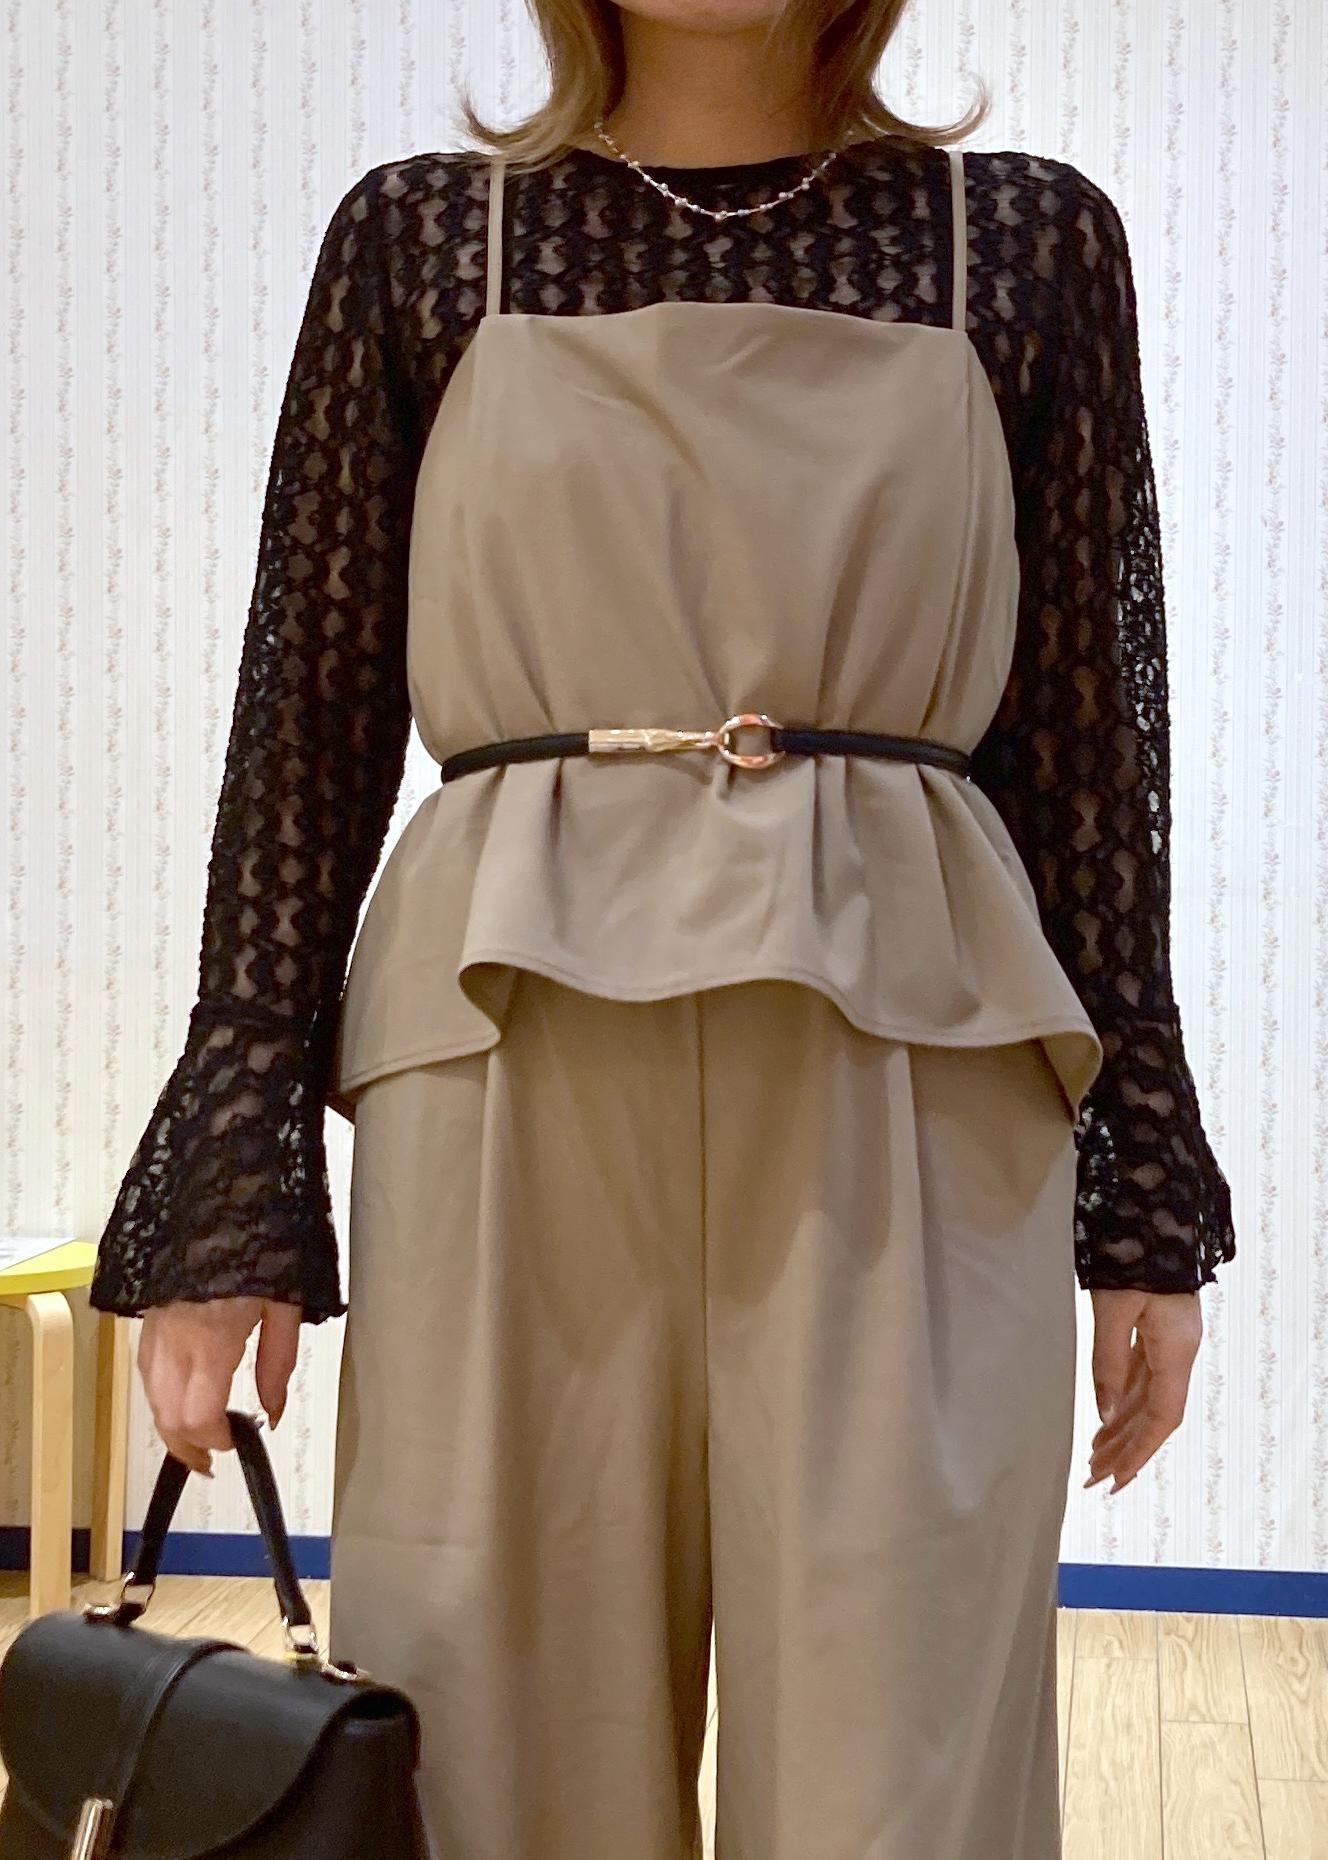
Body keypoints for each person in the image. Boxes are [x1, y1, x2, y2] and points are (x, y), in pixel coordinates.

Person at [90, 1, 1236, 1855]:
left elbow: (1095, 743)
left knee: (904, 1780)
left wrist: (1144, 1184)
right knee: (488, 1758)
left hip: (916, 1058)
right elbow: (307, 715)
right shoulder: (422, 239)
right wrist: (237, 1158)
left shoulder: (1026, 241)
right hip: (503, 1038)